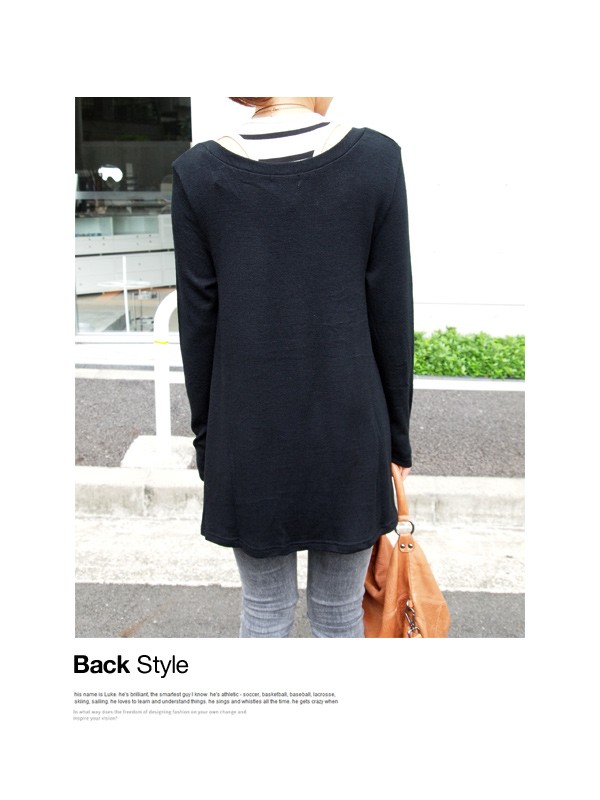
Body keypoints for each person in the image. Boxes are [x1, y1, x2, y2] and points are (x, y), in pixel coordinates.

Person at [171, 97, 414, 638]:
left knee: (263, 610)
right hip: (351, 430)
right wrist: (397, 441)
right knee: (339, 614)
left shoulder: (197, 173)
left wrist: (209, 440)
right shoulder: (376, 160)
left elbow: (198, 324)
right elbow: (392, 314)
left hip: (247, 433)